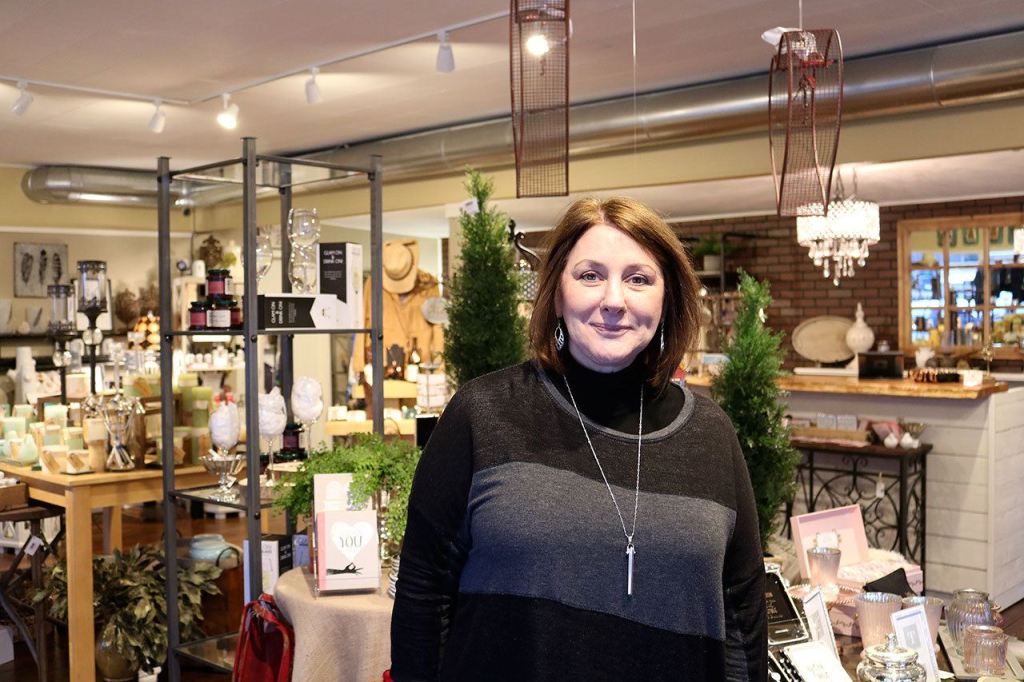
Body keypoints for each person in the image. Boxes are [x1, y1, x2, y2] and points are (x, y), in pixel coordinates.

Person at [390, 197, 767, 681]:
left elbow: (743, 615)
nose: (614, 300)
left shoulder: (710, 433)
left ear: (667, 297)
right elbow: (424, 594)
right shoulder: (482, 414)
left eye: (639, 278)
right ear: (557, 292)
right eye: (590, 275)